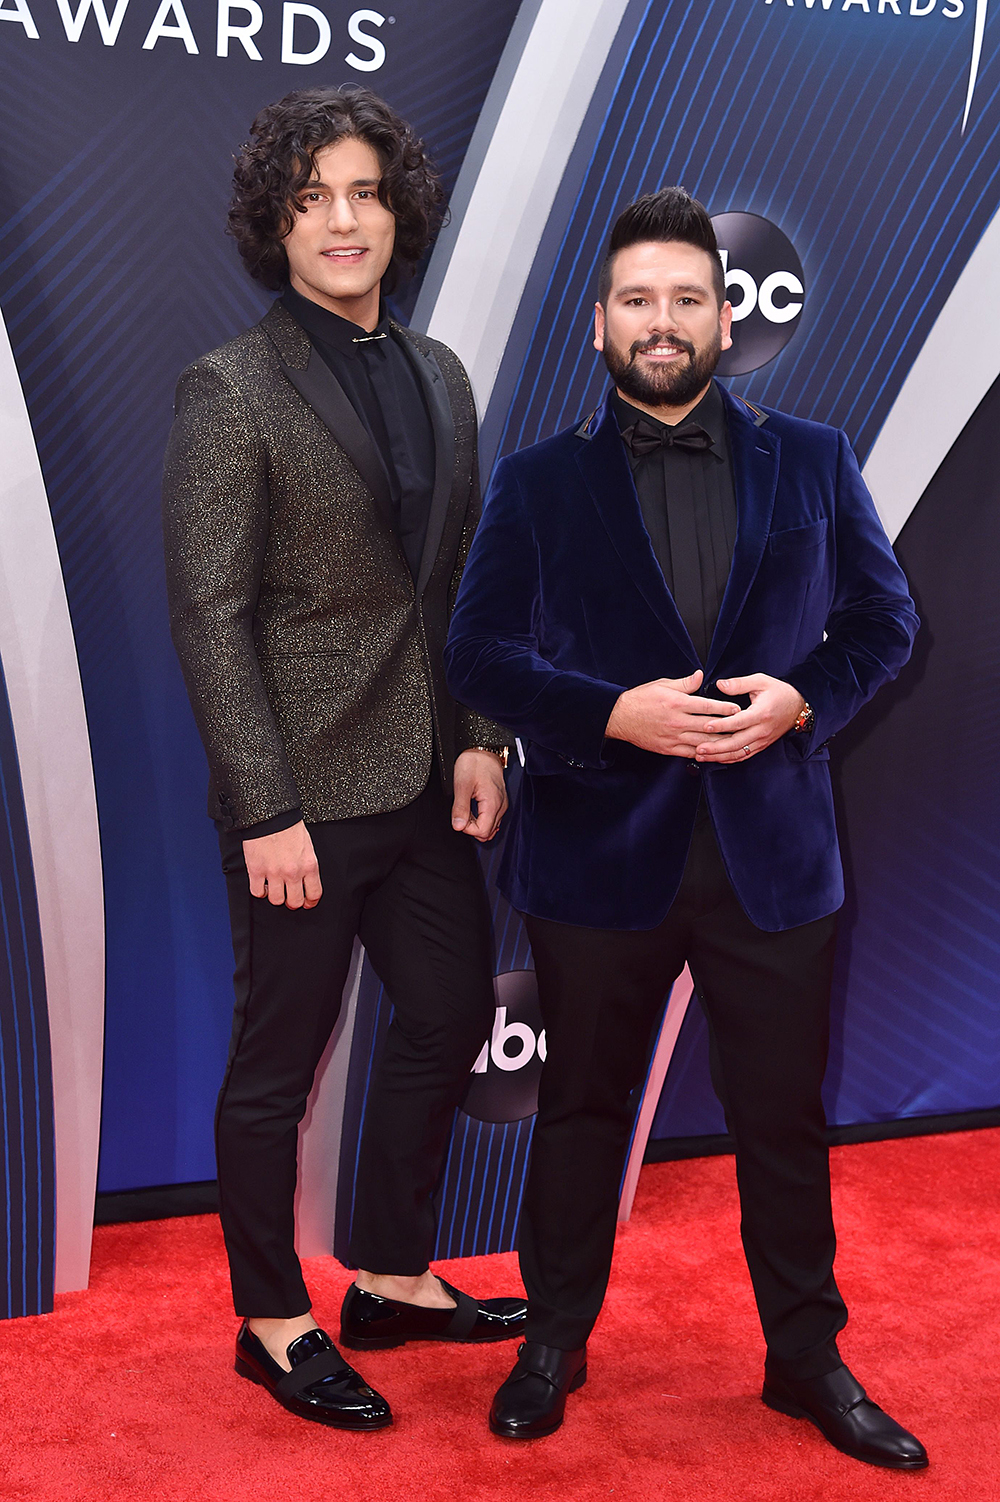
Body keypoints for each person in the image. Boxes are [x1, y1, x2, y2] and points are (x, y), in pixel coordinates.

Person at [445, 187, 927, 1468]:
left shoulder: (815, 457)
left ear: (728, 315)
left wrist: (797, 701)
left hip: (773, 854)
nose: (664, 322)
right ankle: (551, 1338)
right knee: (582, 1111)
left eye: (687, 298)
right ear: (597, 327)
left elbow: (885, 624)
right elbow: (479, 649)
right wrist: (613, 714)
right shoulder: (536, 481)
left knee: (782, 1116)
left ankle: (805, 1357)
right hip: (598, 858)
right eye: (637, 301)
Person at [162, 84, 524, 1432]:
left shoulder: (440, 374)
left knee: (440, 1017)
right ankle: (272, 1317)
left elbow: (468, 583)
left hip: (432, 778)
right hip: (302, 799)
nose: (343, 219)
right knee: (278, 1062)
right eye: (313, 198)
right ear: (277, 223)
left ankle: (383, 1270)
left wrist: (483, 737)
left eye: (365, 191)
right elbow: (211, 614)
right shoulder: (230, 388)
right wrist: (264, 807)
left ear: (397, 211)